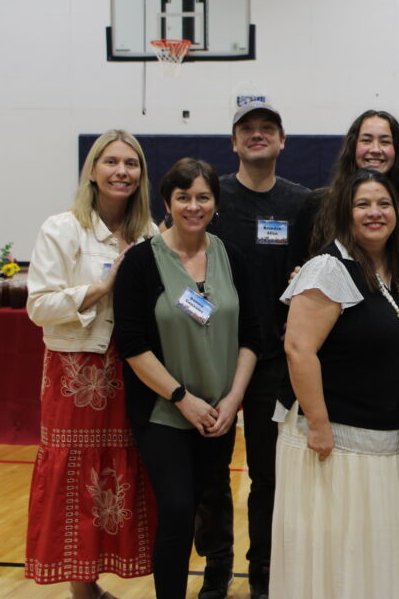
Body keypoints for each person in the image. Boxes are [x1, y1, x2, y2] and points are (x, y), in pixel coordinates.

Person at [114, 158, 260, 599]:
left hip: (219, 413)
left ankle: (216, 582)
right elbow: (132, 344)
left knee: (210, 502)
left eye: (202, 197)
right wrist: (181, 397)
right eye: (183, 197)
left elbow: (252, 336)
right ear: (167, 202)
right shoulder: (141, 262)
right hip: (165, 411)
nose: (193, 206)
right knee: (177, 511)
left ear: (215, 202)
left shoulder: (231, 256)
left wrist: (233, 399)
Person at [272, 169, 399, 599]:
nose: (374, 213)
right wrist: (318, 426)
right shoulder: (327, 268)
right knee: (336, 562)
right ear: (345, 213)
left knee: (374, 560)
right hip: (333, 445)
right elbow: (299, 350)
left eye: (384, 204)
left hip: (386, 442)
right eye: (363, 205)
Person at [25, 130, 157, 599]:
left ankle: (98, 580)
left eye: (132, 164)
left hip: (132, 366)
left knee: (118, 473)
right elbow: (39, 306)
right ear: (94, 171)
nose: (122, 171)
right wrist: (103, 288)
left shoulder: (149, 232)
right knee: (76, 473)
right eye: (112, 162)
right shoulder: (61, 228)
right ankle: (83, 589)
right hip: (75, 370)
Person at [193, 100, 309, 599]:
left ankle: (263, 573)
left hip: (273, 363)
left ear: (283, 141)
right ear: (233, 142)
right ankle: (216, 570)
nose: (257, 136)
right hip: (211, 359)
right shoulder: (210, 200)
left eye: (268, 129)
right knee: (209, 475)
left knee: (268, 476)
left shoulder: (303, 203)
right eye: (248, 129)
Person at [287, 109, 399, 269]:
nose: (375, 149)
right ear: (353, 147)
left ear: (397, 150)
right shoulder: (318, 203)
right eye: (366, 140)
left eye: (385, 142)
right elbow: (295, 267)